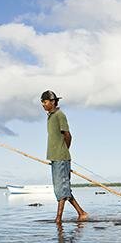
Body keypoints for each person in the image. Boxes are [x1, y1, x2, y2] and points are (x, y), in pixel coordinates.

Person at [41, 89, 88, 223]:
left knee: (62, 188)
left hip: (61, 157)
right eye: (42, 102)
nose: (43, 105)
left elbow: (68, 135)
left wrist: (63, 151)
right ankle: (81, 213)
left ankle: (58, 219)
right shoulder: (50, 116)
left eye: (45, 102)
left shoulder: (59, 115)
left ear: (53, 102)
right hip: (54, 158)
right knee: (62, 188)